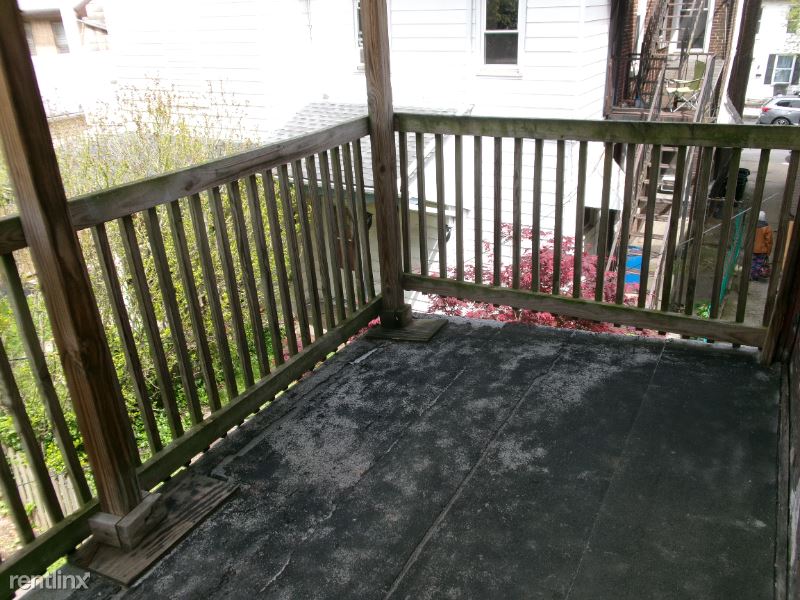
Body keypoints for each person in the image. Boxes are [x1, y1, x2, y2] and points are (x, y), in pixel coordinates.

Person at [751, 211, 773, 282]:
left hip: (753, 248)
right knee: (759, 263)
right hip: (762, 250)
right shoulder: (767, 228)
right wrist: (768, 252)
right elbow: (769, 241)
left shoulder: (753, 226)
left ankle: (752, 275)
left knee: (753, 262)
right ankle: (755, 276)